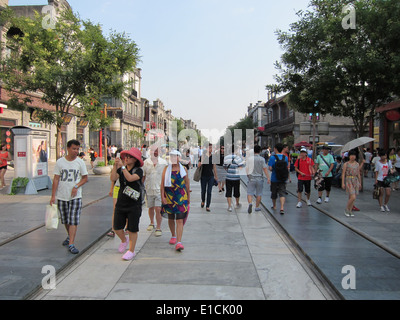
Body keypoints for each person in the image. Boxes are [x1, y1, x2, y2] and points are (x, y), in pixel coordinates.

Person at [50, 140, 88, 254]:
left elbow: (85, 178)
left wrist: (76, 186)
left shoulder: (80, 162)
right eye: (74, 149)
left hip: (76, 197)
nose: (76, 151)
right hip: (62, 196)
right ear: (68, 148)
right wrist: (53, 196)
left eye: (77, 149)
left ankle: (71, 243)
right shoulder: (60, 162)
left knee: (73, 220)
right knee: (66, 220)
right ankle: (69, 236)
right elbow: (56, 178)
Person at [110, 147, 144, 260]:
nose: (126, 158)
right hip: (121, 202)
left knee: (132, 228)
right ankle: (124, 240)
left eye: (129, 157)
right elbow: (113, 178)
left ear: (135, 160)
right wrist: (115, 166)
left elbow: (130, 178)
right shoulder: (121, 169)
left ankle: (131, 250)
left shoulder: (138, 171)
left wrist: (123, 167)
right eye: (126, 156)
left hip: (134, 204)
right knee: (117, 227)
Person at [160, 150, 190, 251]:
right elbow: (162, 184)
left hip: (181, 197)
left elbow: (186, 183)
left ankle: (179, 242)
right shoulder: (166, 169)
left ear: (179, 157)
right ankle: (173, 235)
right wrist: (163, 197)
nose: (173, 158)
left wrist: (188, 197)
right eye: (171, 156)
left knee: (180, 220)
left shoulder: (183, 169)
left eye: (175, 156)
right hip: (169, 196)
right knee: (171, 218)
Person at [143, 145, 168, 236]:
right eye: (153, 150)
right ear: (150, 151)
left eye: (157, 151)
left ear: (160, 152)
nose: (155, 152)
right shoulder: (146, 162)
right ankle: (151, 222)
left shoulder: (164, 163)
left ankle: (158, 227)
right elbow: (143, 176)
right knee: (151, 207)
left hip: (159, 190)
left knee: (158, 208)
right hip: (149, 189)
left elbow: (166, 177)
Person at [246, 145, 270, 213]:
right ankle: (257, 207)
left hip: (251, 178)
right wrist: (268, 177)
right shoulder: (262, 159)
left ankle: (250, 203)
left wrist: (248, 175)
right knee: (259, 193)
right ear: (260, 151)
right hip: (259, 178)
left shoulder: (249, 159)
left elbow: (247, 168)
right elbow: (265, 169)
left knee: (249, 192)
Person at [268, 143, 289, 214]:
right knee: (282, 193)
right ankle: (282, 207)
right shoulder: (285, 157)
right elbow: (286, 167)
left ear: (276, 149)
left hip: (274, 178)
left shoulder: (272, 157)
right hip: (283, 178)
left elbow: (270, 168)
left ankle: (274, 206)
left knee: (274, 193)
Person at [224, 147, 245, 212]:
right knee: (236, 191)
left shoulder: (226, 157)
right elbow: (241, 167)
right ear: (235, 150)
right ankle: (237, 204)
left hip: (228, 177)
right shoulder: (238, 158)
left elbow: (224, 167)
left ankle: (229, 206)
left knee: (228, 192)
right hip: (236, 177)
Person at [198, 143, 218, 212]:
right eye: (209, 147)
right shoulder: (202, 156)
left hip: (211, 176)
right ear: (206, 148)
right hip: (203, 176)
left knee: (209, 191)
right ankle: (203, 200)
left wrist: (216, 176)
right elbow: (199, 165)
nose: (211, 149)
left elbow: (214, 167)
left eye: (211, 148)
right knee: (203, 191)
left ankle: (208, 206)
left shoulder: (213, 157)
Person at [342, 150, 361, 217]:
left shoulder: (357, 164)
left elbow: (358, 173)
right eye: (351, 155)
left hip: (355, 180)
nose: (353, 157)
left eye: (354, 155)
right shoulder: (346, 164)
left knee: (352, 197)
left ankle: (350, 210)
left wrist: (360, 182)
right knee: (353, 196)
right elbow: (343, 173)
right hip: (349, 180)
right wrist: (343, 183)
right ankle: (347, 208)